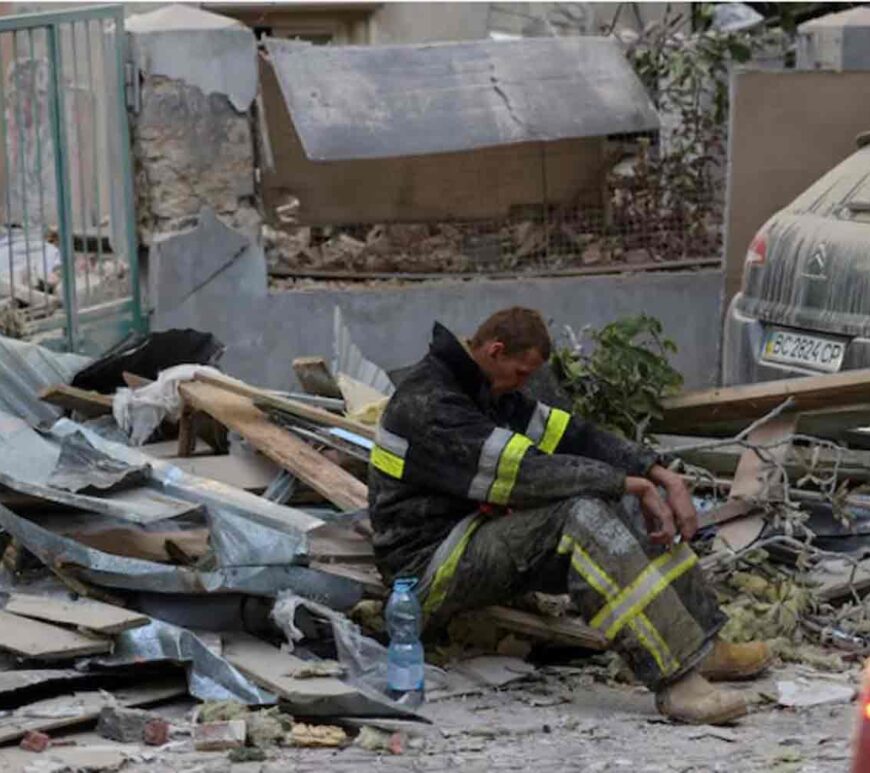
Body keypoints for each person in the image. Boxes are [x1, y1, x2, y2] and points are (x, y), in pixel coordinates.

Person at [368, 307, 770, 725]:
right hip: (428, 570)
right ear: (496, 351)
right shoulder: (429, 404)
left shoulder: (487, 389)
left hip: (476, 537)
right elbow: (527, 475)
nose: (524, 384)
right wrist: (625, 482)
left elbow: (574, 437)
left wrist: (658, 474)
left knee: (625, 500)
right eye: (522, 373)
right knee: (581, 512)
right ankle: (677, 682)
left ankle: (702, 643)